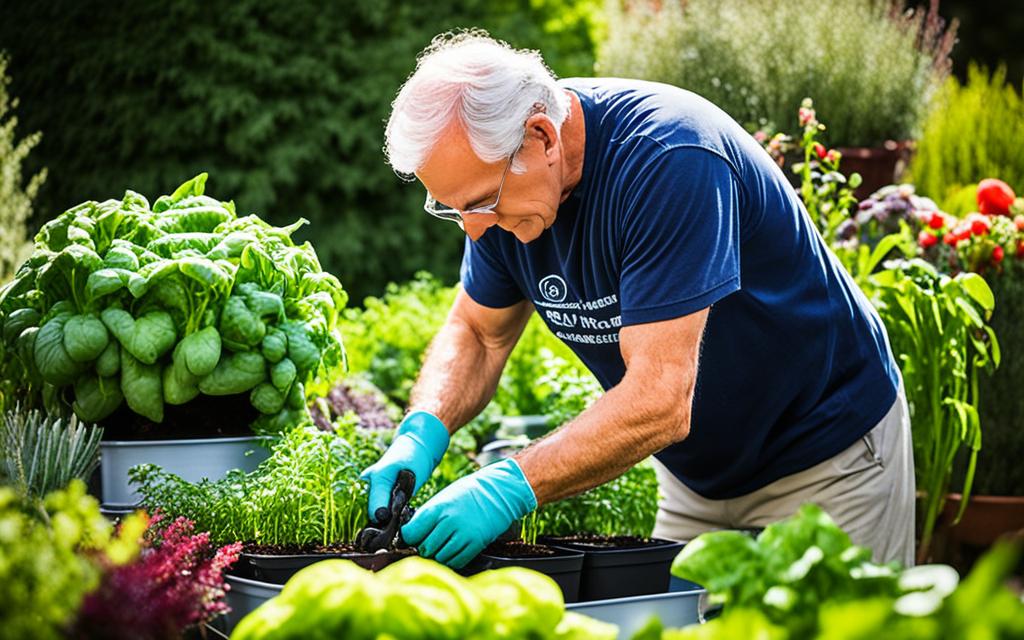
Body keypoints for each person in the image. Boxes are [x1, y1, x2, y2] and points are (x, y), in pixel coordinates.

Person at [360, 31, 915, 569]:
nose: (475, 232)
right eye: (454, 209)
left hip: (829, 458)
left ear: (542, 138)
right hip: (697, 481)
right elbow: (481, 333)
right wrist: (421, 430)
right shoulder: (500, 196)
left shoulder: (669, 158)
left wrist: (509, 487)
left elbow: (660, 400)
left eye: (482, 202)